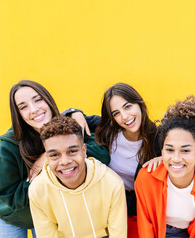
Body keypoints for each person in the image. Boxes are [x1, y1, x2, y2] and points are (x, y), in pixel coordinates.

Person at [0, 80, 110, 238]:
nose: (34, 110)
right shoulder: (9, 146)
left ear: (47, 100)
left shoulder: (66, 127)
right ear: (18, 114)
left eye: (37, 99)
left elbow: (102, 154)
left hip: (51, 215)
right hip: (14, 215)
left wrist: (49, 157)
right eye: (23, 107)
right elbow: (10, 197)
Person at [65, 82, 159, 237]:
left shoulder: (156, 138)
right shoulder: (107, 132)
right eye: (116, 113)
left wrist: (164, 157)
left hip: (138, 213)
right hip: (106, 210)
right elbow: (63, 120)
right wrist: (73, 112)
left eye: (128, 106)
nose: (125, 117)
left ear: (139, 103)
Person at [135, 96, 195, 238]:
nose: (176, 159)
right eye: (170, 150)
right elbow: (145, 227)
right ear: (162, 150)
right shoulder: (146, 178)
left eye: (185, 150)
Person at [29, 116, 127, 238]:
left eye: (72, 151)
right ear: (47, 158)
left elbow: (118, 234)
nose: (64, 161)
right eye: (54, 155)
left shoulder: (112, 183)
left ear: (84, 151)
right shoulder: (38, 190)